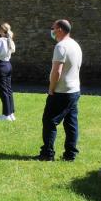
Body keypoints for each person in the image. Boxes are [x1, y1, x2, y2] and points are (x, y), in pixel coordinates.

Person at [37, 19, 83, 161]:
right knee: (71, 123)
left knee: (50, 121)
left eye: (53, 28)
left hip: (62, 91)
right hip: (74, 90)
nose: (51, 30)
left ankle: (47, 154)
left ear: (60, 30)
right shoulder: (75, 45)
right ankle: (70, 155)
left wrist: (51, 89)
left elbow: (57, 71)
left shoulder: (61, 46)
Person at [0, 22, 16, 121]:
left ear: (1, 30)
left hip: (0, 65)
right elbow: (11, 50)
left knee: (3, 91)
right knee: (8, 90)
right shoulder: (9, 40)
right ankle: (11, 113)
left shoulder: (0, 41)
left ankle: (6, 114)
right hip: (8, 64)